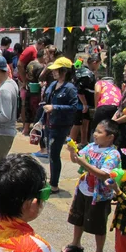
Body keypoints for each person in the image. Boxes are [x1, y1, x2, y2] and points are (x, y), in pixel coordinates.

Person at [63, 120, 120, 252]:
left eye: (100, 132)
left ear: (110, 137)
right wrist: (72, 151)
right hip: (83, 189)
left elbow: (103, 174)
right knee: (78, 218)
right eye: (95, 131)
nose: (95, 134)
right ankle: (76, 243)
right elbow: (76, 160)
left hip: (100, 195)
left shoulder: (113, 154)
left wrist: (84, 163)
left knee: (98, 225)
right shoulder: (91, 146)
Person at [42, 57, 79, 193]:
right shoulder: (53, 85)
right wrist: (40, 121)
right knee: (50, 153)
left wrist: (55, 107)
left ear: (64, 71)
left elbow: (74, 107)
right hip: (48, 123)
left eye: (56, 70)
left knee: (54, 155)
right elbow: (45, 103)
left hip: (60, 126)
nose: (53, 72)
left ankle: (54, 184)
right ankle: (52, 181)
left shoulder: (70, 88)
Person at [18, 37, 51, 134]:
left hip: (28, 87)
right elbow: (41, 78)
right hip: (36, 90)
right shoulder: (40, 66)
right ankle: (36, 130)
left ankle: (25, 128)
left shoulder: (31, 64)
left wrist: (25, 81)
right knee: (37, 110)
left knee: (26, 107)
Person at [70, 53, 100, 146]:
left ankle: (83, 142)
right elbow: (79, 90)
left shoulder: (84, 72)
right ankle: (71, 143)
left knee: (85, 123)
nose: (98, 66)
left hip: (85, 103)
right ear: (95, 63)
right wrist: (84, 104)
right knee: (77, 123)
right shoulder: (86, 74)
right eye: (99, 64)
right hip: (81, 103)